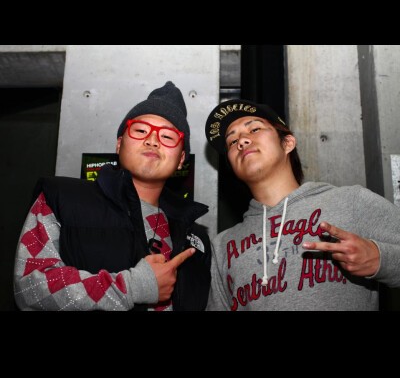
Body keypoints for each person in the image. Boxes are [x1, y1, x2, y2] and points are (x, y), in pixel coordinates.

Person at [14, 81, 211, 311]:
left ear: (181, 160)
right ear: (119, 144)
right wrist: (132, 287)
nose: (153, 140)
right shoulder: (61, 199)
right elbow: (30, 289)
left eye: (168, 137)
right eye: (140, 130)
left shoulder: (197, 239)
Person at [204, 99, 400, 311]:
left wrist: (380, 259)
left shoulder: (351, 202)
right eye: (232, 141)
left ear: (288, 143)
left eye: (255, 129)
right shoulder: (222, 246)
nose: (241, 141)